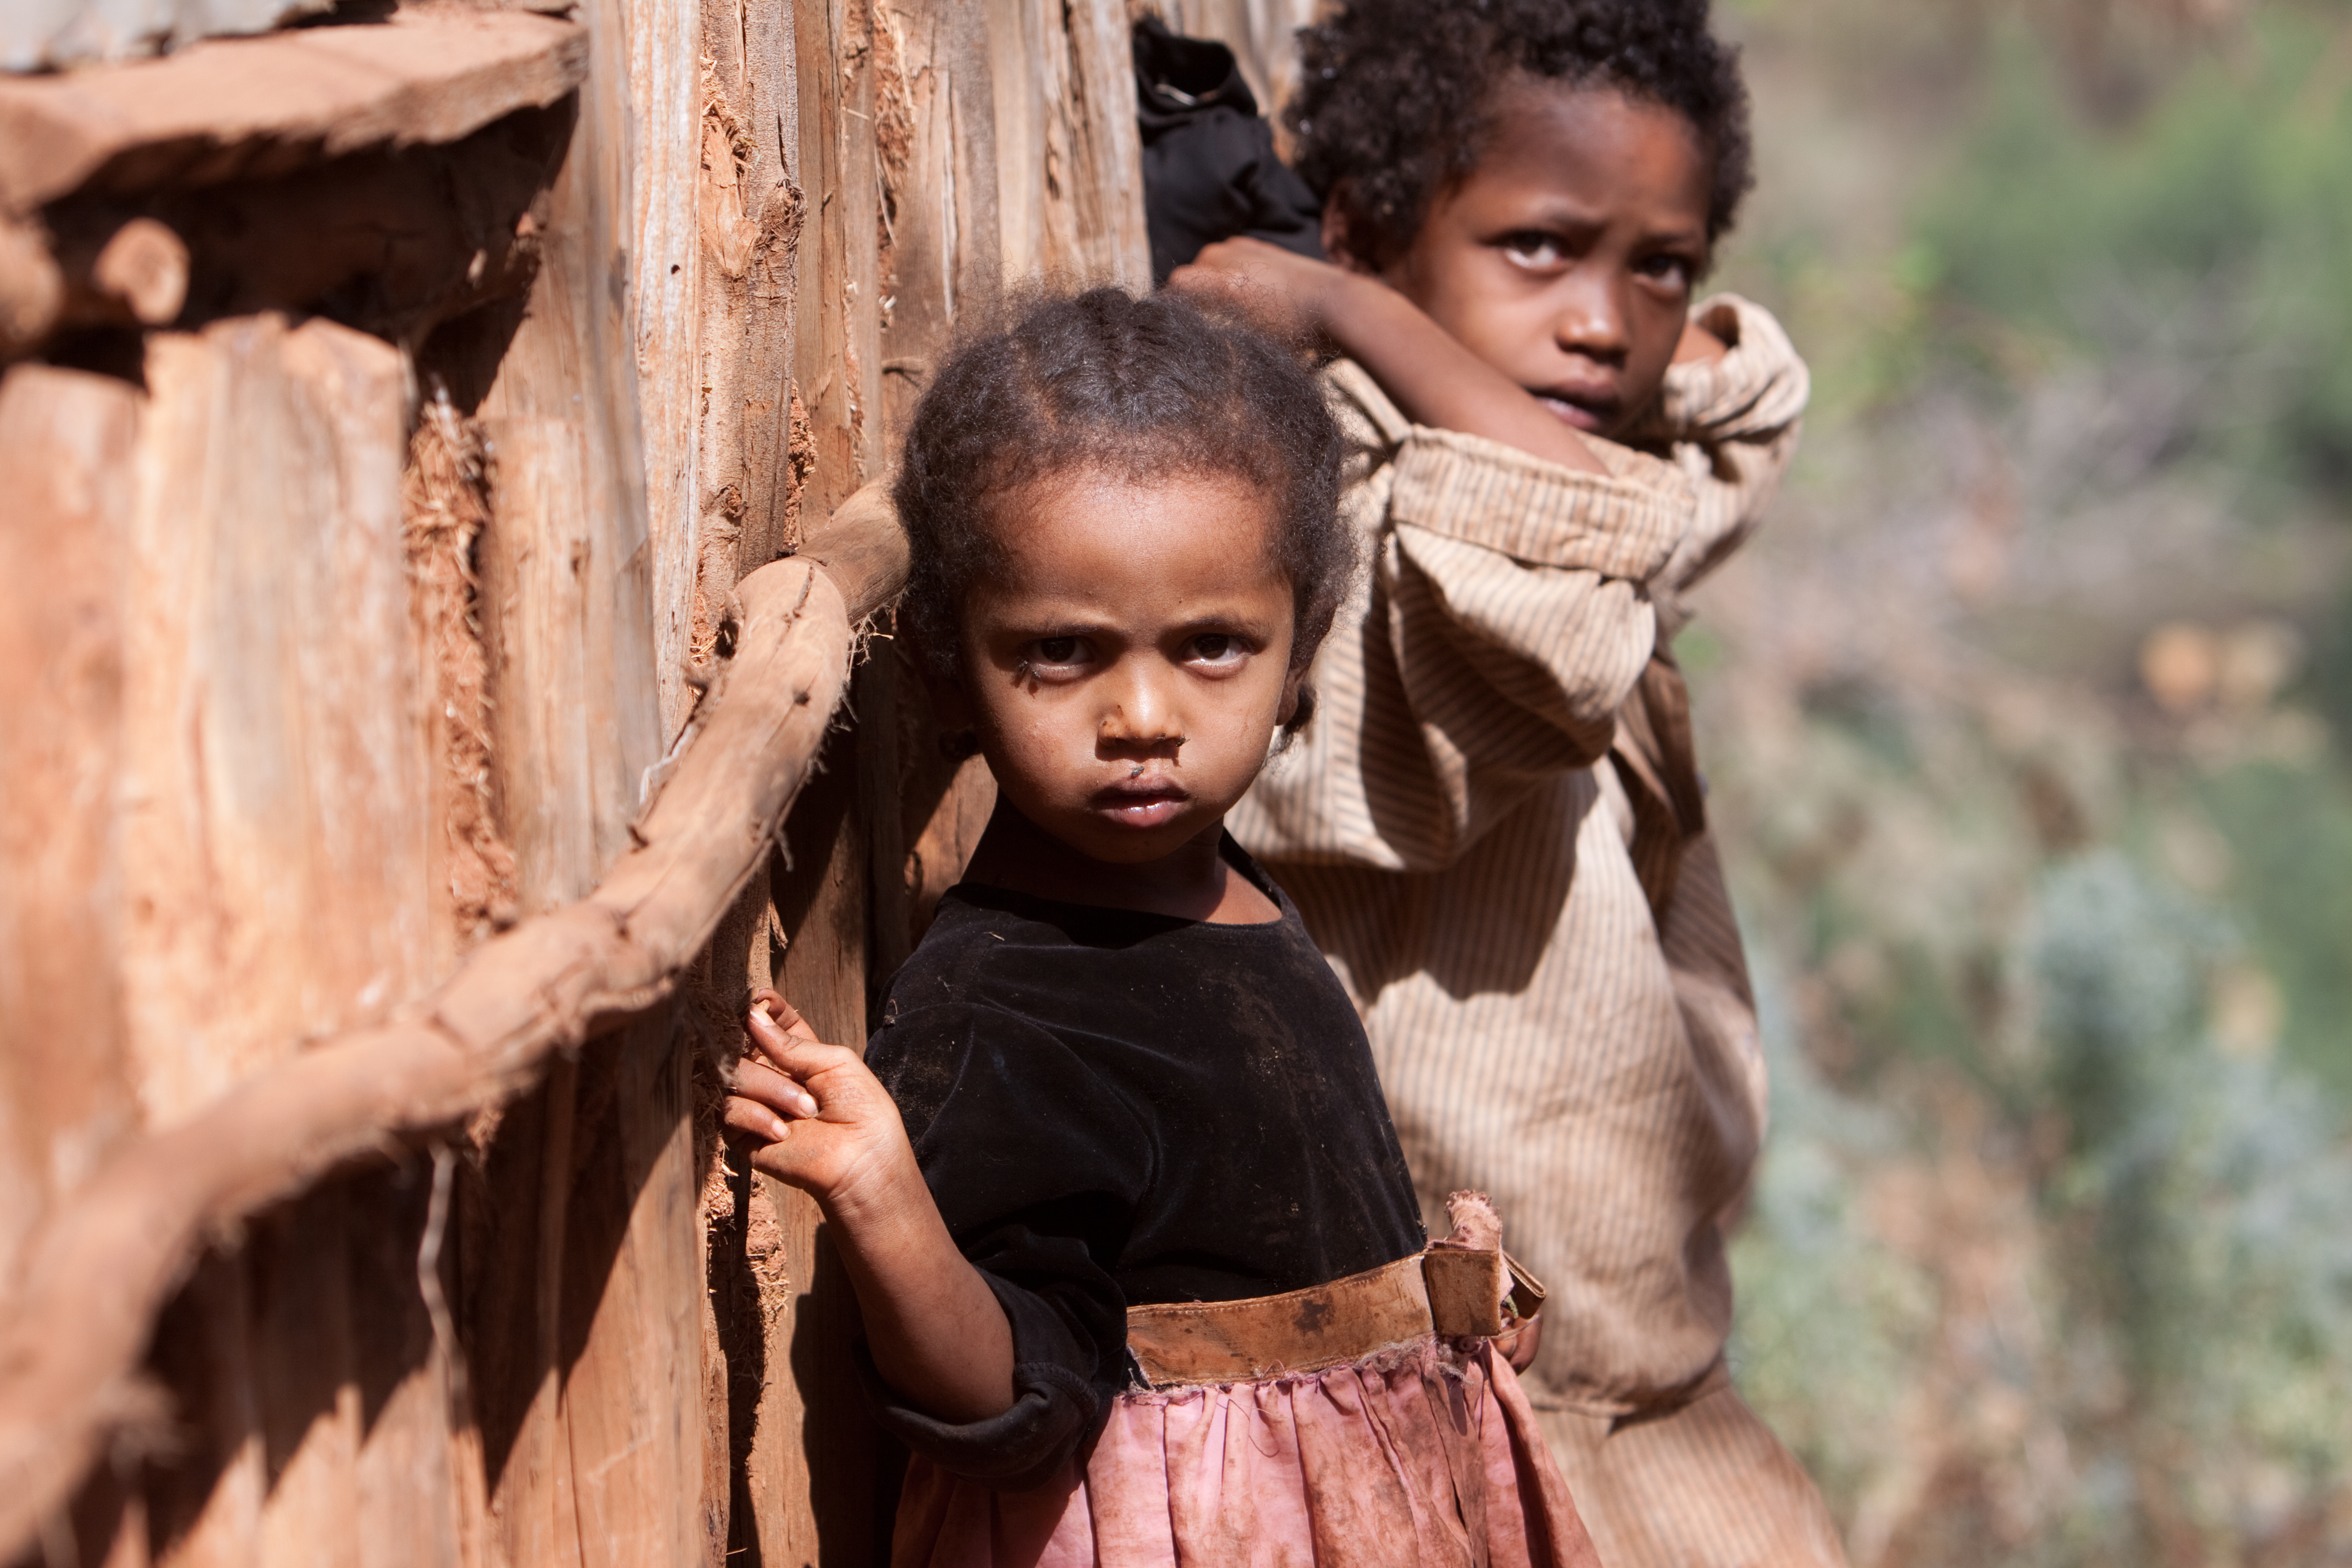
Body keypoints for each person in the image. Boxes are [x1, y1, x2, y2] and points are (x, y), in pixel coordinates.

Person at [721, 288, 1601, 1568]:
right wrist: (882, 1199)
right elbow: (1010, 1405)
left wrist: (1409, 1334)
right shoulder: (1006, 1012)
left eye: (1212, 647)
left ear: (1301, 653)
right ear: (943, 668)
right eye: (1064, 652)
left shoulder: (1221, 884)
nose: (1144, 713)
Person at [1166, 1, 1841, 1563]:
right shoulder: (1352, 515)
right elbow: (1568, 538)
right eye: (1538, 248)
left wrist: (1360, 303)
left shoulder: (1573, 452)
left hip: (1644, 1376)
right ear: (1366, 227)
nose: (1605, 321)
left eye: (1658, 264)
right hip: (1454, 1406)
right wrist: (1358, 325)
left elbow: (1710, 447)